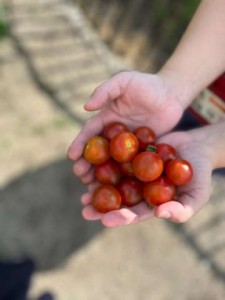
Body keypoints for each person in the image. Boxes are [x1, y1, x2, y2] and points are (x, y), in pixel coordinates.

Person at [67, 0, 225, 227]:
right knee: (176, 144)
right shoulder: (140, 147)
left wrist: (214, 149)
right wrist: (175, 85)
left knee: (204, 164)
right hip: (192, 99)